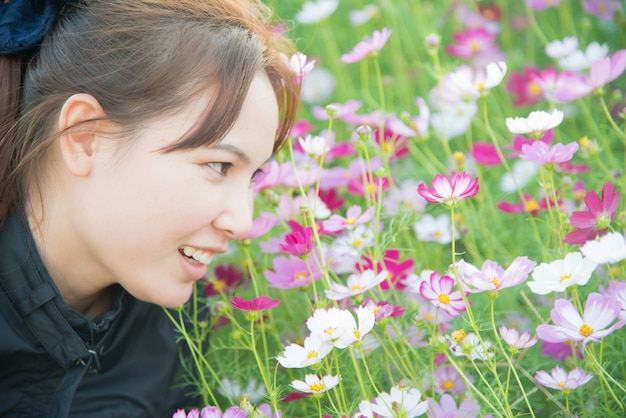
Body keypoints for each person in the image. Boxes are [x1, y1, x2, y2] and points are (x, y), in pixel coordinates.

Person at [0, 0, 300, 417]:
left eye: (252, 178)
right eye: (219, 165)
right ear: (84, 137)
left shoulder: (173, 326)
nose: (243, 223)